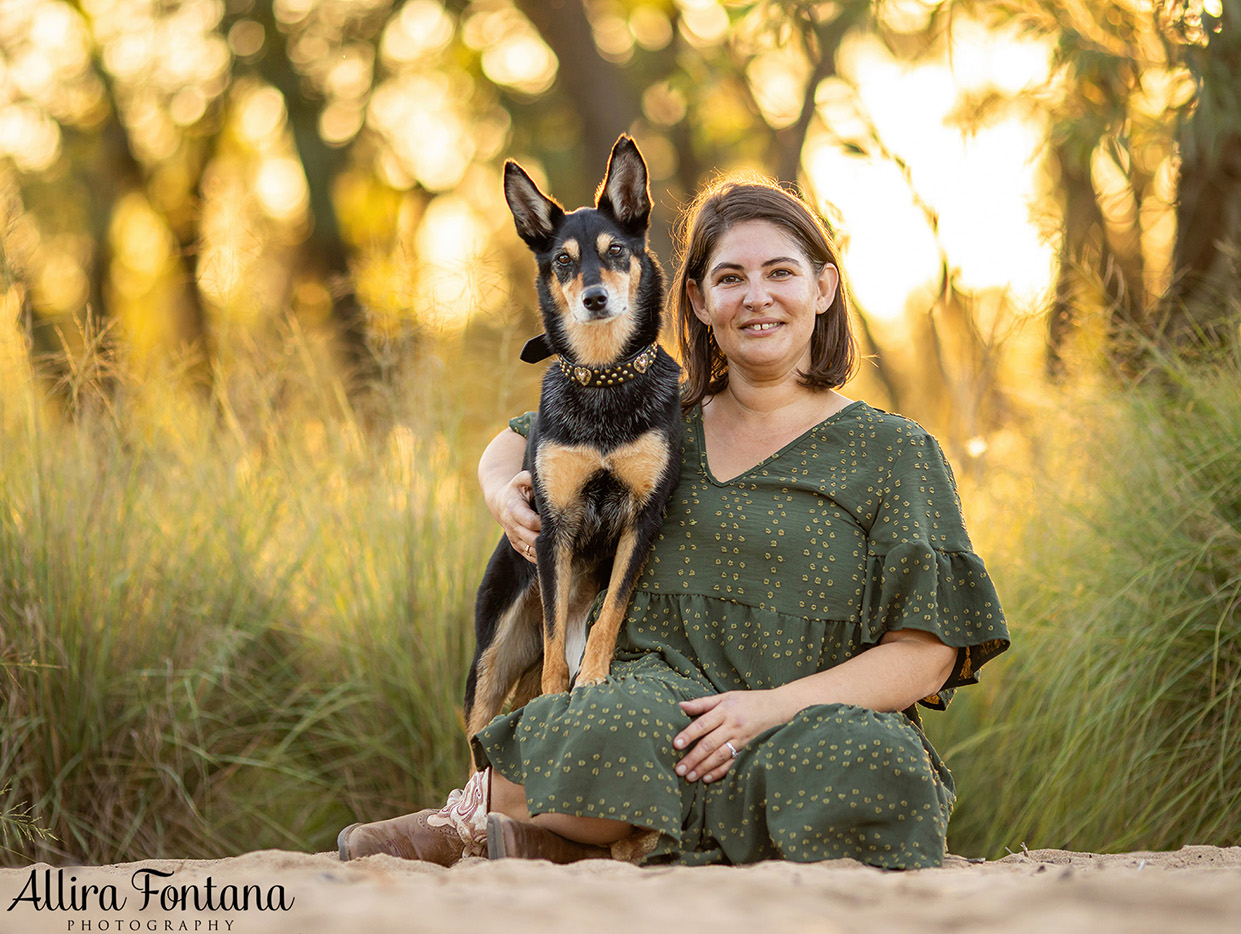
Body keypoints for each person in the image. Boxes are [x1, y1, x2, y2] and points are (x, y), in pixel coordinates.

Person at [338, 176, 1009, 869]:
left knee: (880, 767)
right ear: (698, 300)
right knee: (606, 725)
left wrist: (766, 710)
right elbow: (523, 436)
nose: (757, 297)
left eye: (781, 272)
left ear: (824, 289)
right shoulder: (656, 418)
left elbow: (926, 652)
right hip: (660, 704)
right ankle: (579, 824)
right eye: (730, 278)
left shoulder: (894, 451)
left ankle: (586, 831)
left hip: (813, 718)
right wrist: (498, 490)